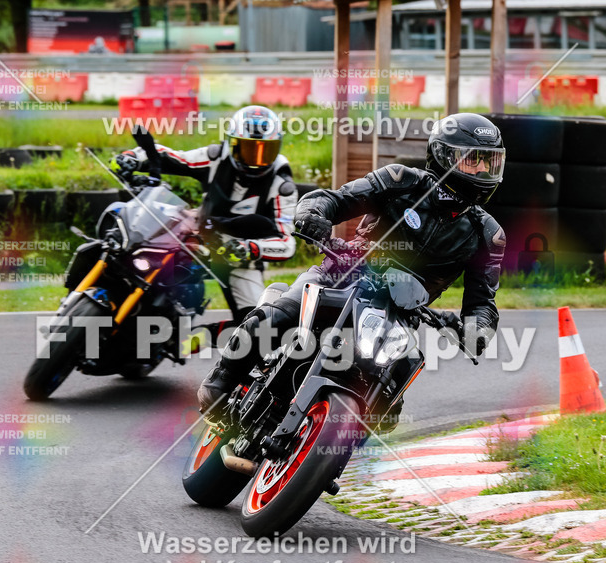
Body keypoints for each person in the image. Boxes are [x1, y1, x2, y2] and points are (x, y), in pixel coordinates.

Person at [197, 113, 507, 417]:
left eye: (488, 162)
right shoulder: (400, 181)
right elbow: (336, 199)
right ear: (444, 156)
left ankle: (321, 446)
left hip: (400, 315)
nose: (482, 169)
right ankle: (220, 382)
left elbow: (483, 302)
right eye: (473, 159)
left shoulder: (488, 234)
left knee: (387, 409)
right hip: (343, 274)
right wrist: (315, 215)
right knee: (279, 316)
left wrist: (477, 329)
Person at [111, 105, 297, 323]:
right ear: (232, 144)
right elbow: (173, 157)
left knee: (260, 326)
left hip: (237, 254)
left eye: (265, 151)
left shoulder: (282, 185)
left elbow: (287, 243)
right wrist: (133, 157)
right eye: (248, 149)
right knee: (134, 256)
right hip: (196, 237)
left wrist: (250, 248)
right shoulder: (215, 157)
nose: (256, 159)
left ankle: (199, 339)